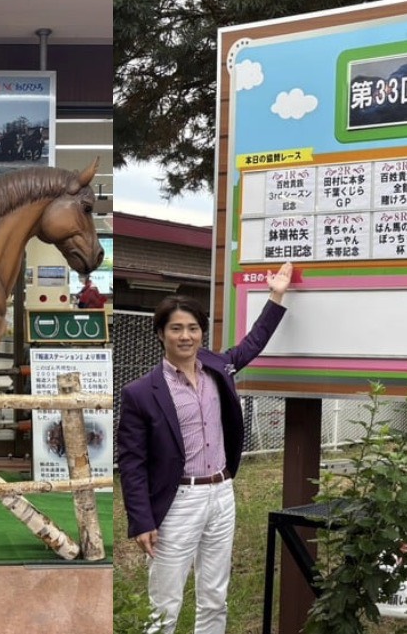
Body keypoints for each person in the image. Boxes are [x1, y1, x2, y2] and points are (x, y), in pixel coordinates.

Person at [117, 261, 293, 634]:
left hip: (222, 493)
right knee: (165, 602)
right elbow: (132, 463)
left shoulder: (219, 367)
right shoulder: (140, 394)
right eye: (176, 328)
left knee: (215, 594)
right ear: (161, 334)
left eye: (193, 328)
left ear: (201, 332)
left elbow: (253, 342)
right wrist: (142, 521)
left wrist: (276, 295)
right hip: (178, 501)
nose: (186, 336)